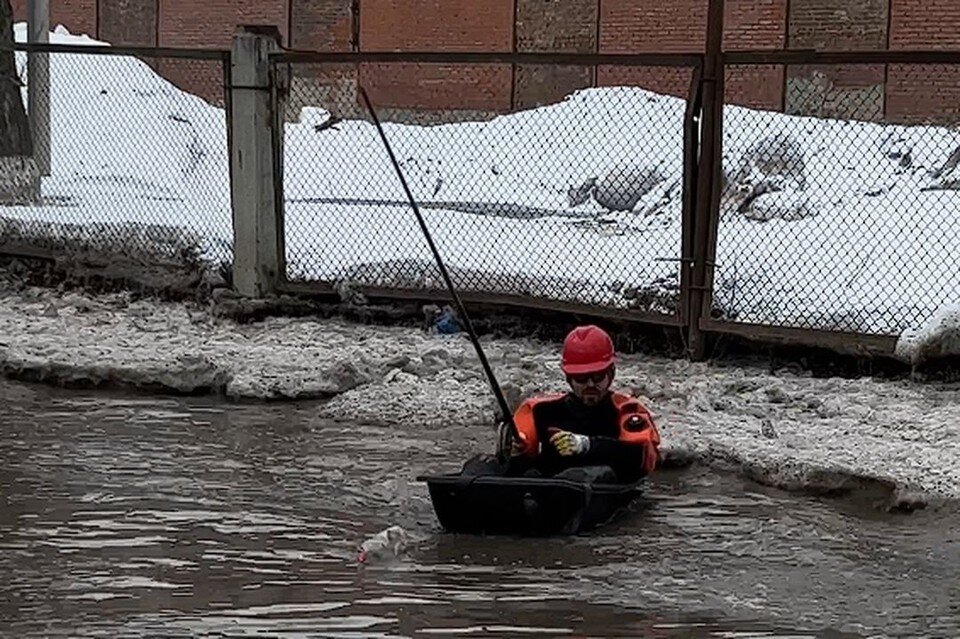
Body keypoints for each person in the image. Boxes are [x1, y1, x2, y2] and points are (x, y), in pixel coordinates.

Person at [502, 324, 661, 482]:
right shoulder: (540, 410)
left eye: (598, 376)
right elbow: (516, 468)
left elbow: (639, 457)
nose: (590, 385)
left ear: (611, 374)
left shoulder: (627, 410)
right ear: (569, 379)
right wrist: (517, 451)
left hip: (604, 488)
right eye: (581, 379)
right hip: (550, 489)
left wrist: (587, 445)